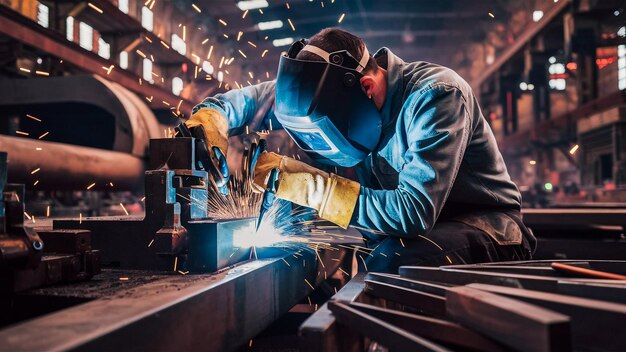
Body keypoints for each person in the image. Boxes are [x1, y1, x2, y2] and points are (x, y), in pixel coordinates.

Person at [185, 28, 536, 273]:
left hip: (486, 229)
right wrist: (212, 116)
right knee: (307, 250)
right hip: (402, 233)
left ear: (366, 87)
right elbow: (247, 103)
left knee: (394, 261)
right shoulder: (328, 91)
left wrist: (310, 186)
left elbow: (411, 214)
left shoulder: (435, 96)